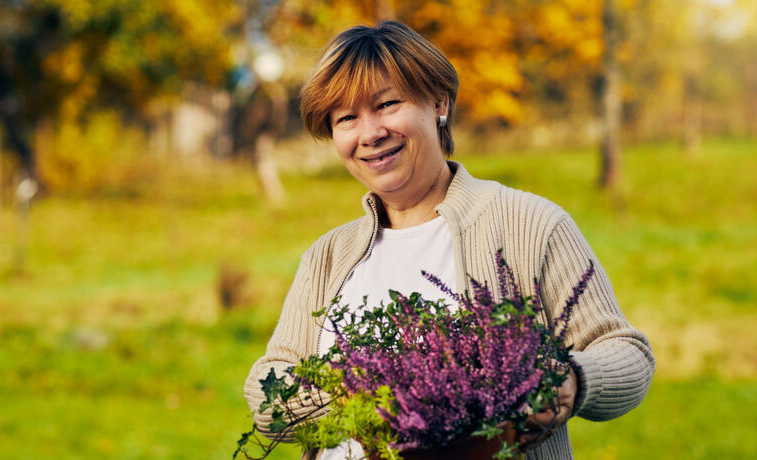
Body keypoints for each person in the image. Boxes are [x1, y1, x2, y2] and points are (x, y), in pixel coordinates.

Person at [244, 20, 654, 460]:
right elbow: (268, 386)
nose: (370, 133)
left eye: (386, 104)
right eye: (346, 118)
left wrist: (567, 381)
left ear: (438, 101)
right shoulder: (329, 256)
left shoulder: (528, 225)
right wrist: (365, 398)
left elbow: (625, 353)